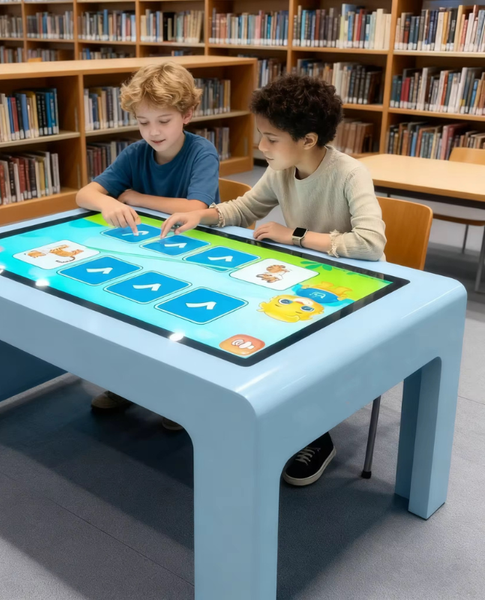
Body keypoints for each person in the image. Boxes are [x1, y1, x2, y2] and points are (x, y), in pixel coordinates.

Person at [161, 74, 387, 484]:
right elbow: (244, 208)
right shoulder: (282, 168)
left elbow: (370, 244)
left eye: (270, 138)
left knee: (296, 340)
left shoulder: (350, 173)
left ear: (308, 140)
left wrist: (294, 235)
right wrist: (200, 215)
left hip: (357, 287)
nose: (261, 147)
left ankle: (315, 433)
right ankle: (240, 409)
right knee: (237, 317)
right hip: (306, 278)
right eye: (261, 136)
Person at [76, 62, 220, 429]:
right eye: (143, 122)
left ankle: (177, 399)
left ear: (187, 114)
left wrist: (136, 197)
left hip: (194, 254)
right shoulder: (135, 153)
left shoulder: (202, 152)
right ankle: (128, 385)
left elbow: (195, 207)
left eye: (164, 121)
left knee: (179, 327)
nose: (153, 132)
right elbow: (85, 194)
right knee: (125, 316)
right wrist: (108, 202)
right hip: (145, 251)